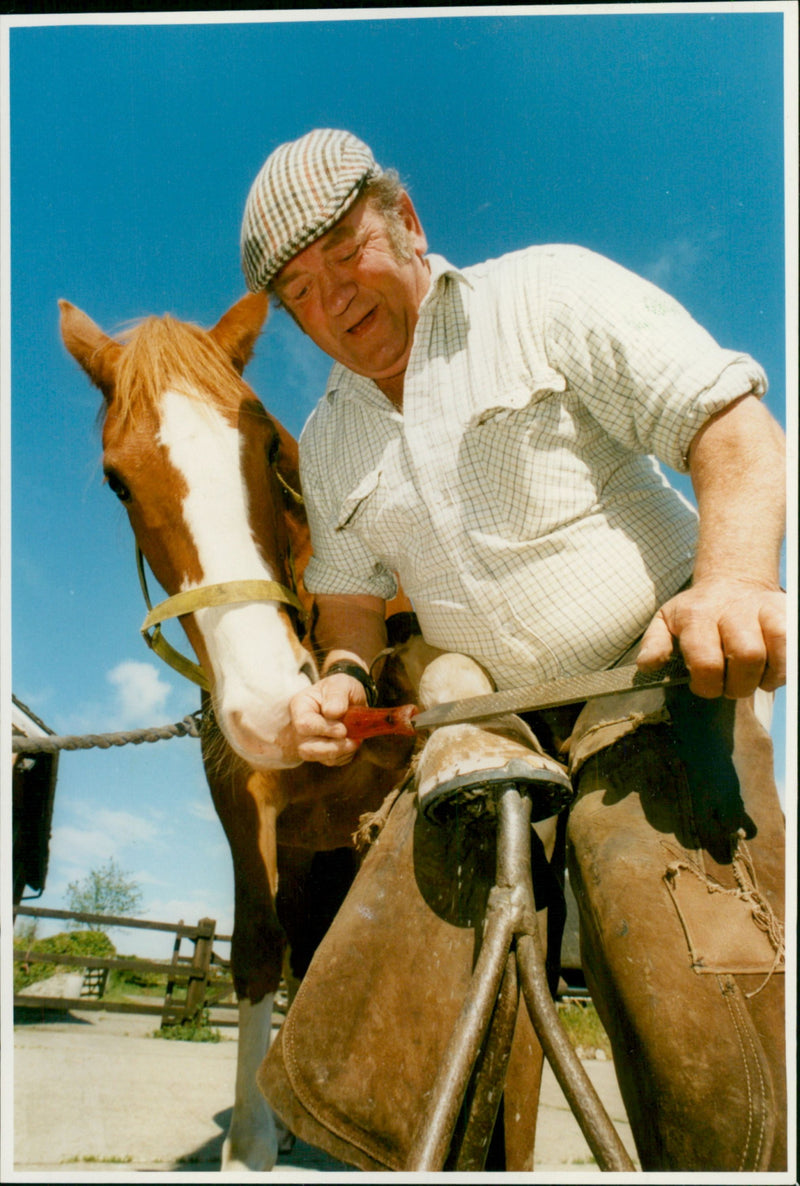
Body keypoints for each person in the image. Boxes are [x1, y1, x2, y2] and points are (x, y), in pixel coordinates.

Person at [240, 129, 787, 1170]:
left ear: (405, 224)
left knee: (652, 902)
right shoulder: (329, 438)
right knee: (420, 896)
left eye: (344, 255)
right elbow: (348, 604)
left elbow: (730, 427)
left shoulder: (546, 294)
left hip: (645, 673)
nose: (333, 303)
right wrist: (342, 679)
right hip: (477, 708)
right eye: (300, 292)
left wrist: (730, 582)